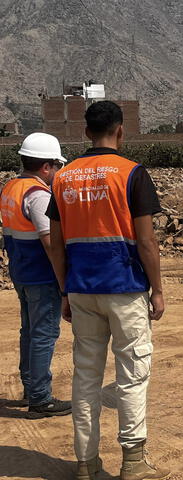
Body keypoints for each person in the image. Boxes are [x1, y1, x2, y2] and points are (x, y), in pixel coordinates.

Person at [47, 101, 170, 480]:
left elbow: (56, 242)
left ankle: (86, 464)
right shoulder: (131, 173)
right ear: (121, 130)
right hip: (124, 287)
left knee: (85, 376)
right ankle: (133, 463)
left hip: (82, 290)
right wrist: (158, 290)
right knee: (132, 373)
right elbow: (146, 242)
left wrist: (65, 290)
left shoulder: (63, 178)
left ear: (86, 133)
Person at [0, 132, 71, 418]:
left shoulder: (10, 188)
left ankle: (32, 389)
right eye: (57, 167)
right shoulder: (39, 196)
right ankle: (40, 398)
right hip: (42, 276)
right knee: (43, 334)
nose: (57, 172)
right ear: (46, 166)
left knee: (29, 332)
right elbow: (50, 244)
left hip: (21, 272)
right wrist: (65, 285)